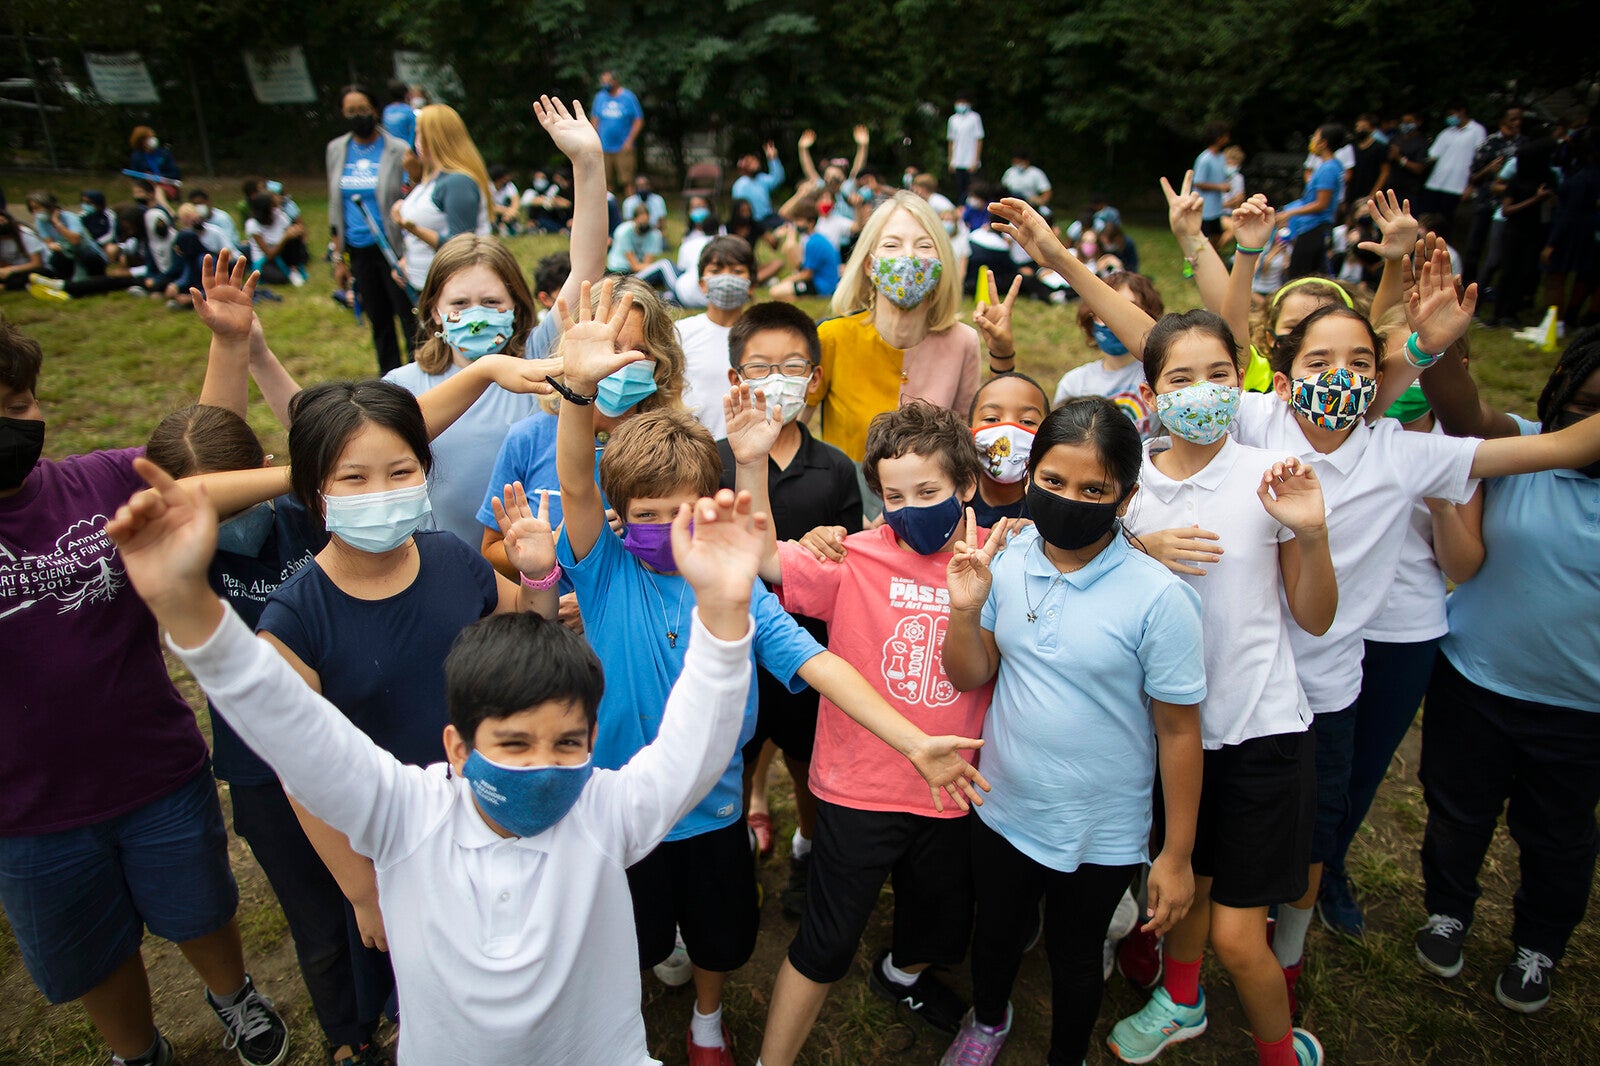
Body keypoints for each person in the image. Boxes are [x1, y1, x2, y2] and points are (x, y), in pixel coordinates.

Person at [995, 192, 1600, 1009]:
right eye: (1316, 365)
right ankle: (1175, 966)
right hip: (1220, 678)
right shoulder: (1254, 421)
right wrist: (1055, 255)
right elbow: (1165, 347)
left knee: (1304, 840)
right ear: (1282, 379)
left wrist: (1426, 349)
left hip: (1318, 684)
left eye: (1359, 366)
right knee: (1187, 838)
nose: (1339, 381)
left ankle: (1283, 951)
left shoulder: (1398, 450)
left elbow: (1546, 442)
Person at [107, 439, 776, 1063]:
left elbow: (698, 742)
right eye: (513, 744)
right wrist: (186, 609)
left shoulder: (605, 809)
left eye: (567, 743)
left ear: (593, 744)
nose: (543, 763)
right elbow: (291, 727)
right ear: (455, 746)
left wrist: (720, 610)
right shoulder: (403, 815)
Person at [557, 284, 986, 1065]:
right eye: (645, 515)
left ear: (713, 509)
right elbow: (579, 485)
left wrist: (915, 740)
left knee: (723, 936)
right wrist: (577, 390)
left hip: (717, 809)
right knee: (637, 935)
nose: (663, 530)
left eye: (682, 512)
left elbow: (822, 664)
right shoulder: (603, 571)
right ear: (621, 516)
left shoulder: (734, 587)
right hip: (618, 808)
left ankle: (709, 1019)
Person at [0, 314, 289, 1066]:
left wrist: (231, 351)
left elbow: (193, 468)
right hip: (26, 810)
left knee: (200, 904)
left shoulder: (96, 483)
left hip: (154, 769)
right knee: (92, 952)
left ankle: (234, 996)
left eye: (18, 403)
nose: (8, 424)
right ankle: (138, 1051)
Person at [937, 397, 1206, 1066]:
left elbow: (1178, 732)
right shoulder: (1011, 555)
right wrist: (966, 615)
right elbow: (972, 675)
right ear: (1030, 476)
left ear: (1126, 497)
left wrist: (1174, 854)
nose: (1069, 500)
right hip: (1001, 803)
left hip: (1100, 827)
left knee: (1076, 953)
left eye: (1095, 490)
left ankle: (1067, 1056)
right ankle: (990, 1021)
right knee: (996, 933)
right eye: (1053, 482)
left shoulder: (1160, 598)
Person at [1104, 310, 1336, 1066]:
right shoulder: (1126, 489)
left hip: (1261, 730)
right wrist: (1138, 549)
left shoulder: (1270, 476)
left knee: (1240, 934)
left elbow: (1316, 616)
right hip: (1171, 738)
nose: (1202, 391)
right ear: (1149, 392)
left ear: (1244, 382)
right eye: (1181, 378)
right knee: (1183, 892)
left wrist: (1310, 533)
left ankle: (1278, 1048)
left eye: (1219, 375)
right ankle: (1181, 1000)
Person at [747, 401, 997, 1066]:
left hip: (956, 792)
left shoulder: (1002, 559)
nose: (910, 508)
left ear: (967, 486)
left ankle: (903, 974)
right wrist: (749, 462)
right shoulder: (851, 558)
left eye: (929, 492)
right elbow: (756, 556)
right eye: (893, 495)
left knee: (939, 920)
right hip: (860, 789)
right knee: (824, 943)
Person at [1411, 327, 1600, 1015]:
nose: (1593, 423)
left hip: (1584, 713)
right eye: (1583, 403)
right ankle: (1447, 911)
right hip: (1475, 684)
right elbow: (1461, 411)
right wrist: (1440, 345)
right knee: (1457, 810)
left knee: (1558, 834)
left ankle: (1540, 943)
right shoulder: (1521, 448)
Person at [1315, 315, 1485, 941]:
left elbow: (1463, 566)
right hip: (1324, 626)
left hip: (1403, 631)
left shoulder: (1450, 445)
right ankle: (1295, 865)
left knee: (1360, 767)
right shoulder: (1337, 425)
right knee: (1315, 759)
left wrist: (1440, 496)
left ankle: (1329, 868)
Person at [385, 96, 605, 550]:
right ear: (433, 311)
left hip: (530, 573)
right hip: (445, 569)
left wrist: (587, 163)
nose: (476, 312)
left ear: (517, 306)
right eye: (460, 303)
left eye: (491, 300)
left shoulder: (538, 360)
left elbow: (586, 266)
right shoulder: (403, 386)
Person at [716, 301, 864, 917]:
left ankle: (807, 846)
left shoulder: (835, 468)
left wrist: (825, 548)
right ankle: (739, 840)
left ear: (816, 376)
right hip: (731, 644)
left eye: (792, 365)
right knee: (734, 754)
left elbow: (854, 564)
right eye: (760, 367)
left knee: (809, 760)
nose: (776, 378)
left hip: (808, 649)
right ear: (734, 380)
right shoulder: (712, 460)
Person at [806, 190, 982, 473]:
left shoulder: (963, 342)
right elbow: (792, 433)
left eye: (924, 246)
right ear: (868, 264)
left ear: (941, 264)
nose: (908, 257)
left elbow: (966, 445)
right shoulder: (832, 337)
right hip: (847, 504)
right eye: (892, 245)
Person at [327, 83, 416, 375]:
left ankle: (418, 374)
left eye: (363, 110)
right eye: (351, 111)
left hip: (392, 248)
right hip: (358, 246)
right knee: (379, 319)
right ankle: (390, 379)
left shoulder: (397, 149)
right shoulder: (337, 150)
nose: (358, 116)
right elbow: (334, 203)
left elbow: (410, 194)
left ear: (375, 110)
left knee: (407, 316)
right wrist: (339, 256)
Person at [394, 104, 493, 295]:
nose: (415, 142)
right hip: (426, 284)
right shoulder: (433, 177)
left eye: (419, 134)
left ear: (434, 138)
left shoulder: (458, 182)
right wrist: (407, 260)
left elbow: (462, 246)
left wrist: (410, 227)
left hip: (453, 290)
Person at [1053, 271, 1165, 438]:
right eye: (1103, 311)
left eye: (1128, 308)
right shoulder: (1073, 383)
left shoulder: (1164, 375)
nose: (1111, 320)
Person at [677, 235, 757, 439]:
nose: (726, 278)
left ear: (751, 284)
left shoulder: (764, 337)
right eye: (716, 271)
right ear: (702, 284)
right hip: (694, 449)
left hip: (751, 448)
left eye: (737, 271)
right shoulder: (680, 333)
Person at [968, 371, 1049, 527]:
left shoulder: (1052, 506)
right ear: (970, 429)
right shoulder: (951, 493)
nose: (1009, 430)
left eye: (1027, 421)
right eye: (992, 419)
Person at [1278, 124, 1347, 280]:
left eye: (1315, 137)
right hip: (1314, 228)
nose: (1312, 141)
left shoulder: (1328, 169)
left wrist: (1290, 213)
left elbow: (1321, 204)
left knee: (1298, 276)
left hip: (1314, 228)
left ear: (1323, 143)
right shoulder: (1330, 166)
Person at [1422, 103, 1488, 227]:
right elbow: (1432, 156)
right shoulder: (1446, 133)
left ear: (1462, 111)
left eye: (1451, 114)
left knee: (1445, 224)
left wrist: (1471, 186)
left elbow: (1480, 158)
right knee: (1427, 221)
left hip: (1457, 187)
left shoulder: (1477, 130)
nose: (1449, 117)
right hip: (1435, 184)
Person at [25, 190, 109, 282]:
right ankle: (66, 279)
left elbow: (75, 240)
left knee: (86, 255)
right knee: (56, 259)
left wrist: (57, 223)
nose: (35, 212)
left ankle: (96, 277)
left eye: (38, 208)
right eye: (33, 209)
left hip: (85, 251)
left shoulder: (70, 217)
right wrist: (58, 247)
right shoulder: (40, 223)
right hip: (65, 251)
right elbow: (49, 243)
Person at [769, 200, 840, 301]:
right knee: (780, 289)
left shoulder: (813, 243)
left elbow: (807, 274)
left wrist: (786, 280)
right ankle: (801, 295)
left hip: (822, 287)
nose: (796, 224)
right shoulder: (816, 238)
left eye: (799, 220)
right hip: (823, 281)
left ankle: (805, 296)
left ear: (810, 223)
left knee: (775, 292)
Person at [591, 70, 645, 190]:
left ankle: (630, 207)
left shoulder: (628, 97)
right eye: (603, 81)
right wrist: (594, 140)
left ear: (615, 81)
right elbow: (595, 119)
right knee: (605, 181)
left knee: (627, 181)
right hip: (603, 146)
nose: (605, 84)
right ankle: (609, 207)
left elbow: (639, 120)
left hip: (623, 146)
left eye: (608, 81)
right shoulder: (599, 97)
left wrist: (630, 141)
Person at [244, 192, 309, 286]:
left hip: (284, 254)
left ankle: (293, 267)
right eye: (273, 207)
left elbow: (292, 234)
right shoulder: (252, 224)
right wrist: (284, 238)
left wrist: (297, 231)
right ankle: (287, 273)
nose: (276, 209)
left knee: (294, 239)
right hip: (265, 260)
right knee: (280, 278)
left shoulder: (280, 216)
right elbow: (269, 255)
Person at [608, 203, 676, 291]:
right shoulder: (623, 232)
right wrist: (656, 266)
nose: (644, 225)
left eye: (646, 222)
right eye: (641, 222)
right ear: (634, 220)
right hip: (618, 271)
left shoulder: (654, 235)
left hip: (637, 272)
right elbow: (635, 265)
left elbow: (647, 263)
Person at [671, 196, 723, 308]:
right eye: (694, 207)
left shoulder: (689, 245)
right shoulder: (725, 244)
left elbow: (681, 268)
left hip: (685, 296)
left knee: (664, 265)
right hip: (715, 299)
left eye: (702, 206)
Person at [1194, 121, 1233, 249]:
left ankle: (1214, 261)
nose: (1227, 139)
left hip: (1216, 209)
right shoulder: (1205, 159)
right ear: (1218, 137)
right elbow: (1198, 182)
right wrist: (1220, 187)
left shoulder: (1221, 157)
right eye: (1225, 135)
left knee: (1216, 238)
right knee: (1201, 242)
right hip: (1204, 209)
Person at [731, 143, 786, 232]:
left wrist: (773, 159)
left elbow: (778, 179)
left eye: (755, 160)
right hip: (753, 221)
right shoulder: (739, 185)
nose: (755, 163)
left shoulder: (761, 179)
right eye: (750, 161)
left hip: (768, 217)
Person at [1344, 115, 1392, 214]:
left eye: (1363, 127)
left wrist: (1373, 195)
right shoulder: (1351, 147)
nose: (1359, 130)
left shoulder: (1380, 148)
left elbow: (1385, 172)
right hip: (1353, 192)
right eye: (1358, 127)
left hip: (1370, 191)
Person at [946, 93, 985, 203]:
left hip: (970, 161)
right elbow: (951, 140)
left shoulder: (975, 118)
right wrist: (951, 160)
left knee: (972, 189)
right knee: (960, 190)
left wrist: (975, 161)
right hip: (958, 161)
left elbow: (979, 139)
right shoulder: (953, 119)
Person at [0, 208, 46, 290]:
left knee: (32, 276)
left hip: (30, 269)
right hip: (11, 269)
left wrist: (11, 269)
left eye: (3, 220)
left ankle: (5, 286)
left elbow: (37, 263)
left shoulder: (24, 234)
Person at [380, 78, 417, 147]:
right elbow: (413, 133)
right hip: (405, 148)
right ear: (406, 94)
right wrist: (410, 148)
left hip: (390, 148)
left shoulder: (387, 110)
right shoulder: (409, 111)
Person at [489, 165, 521, 236]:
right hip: (494, 213)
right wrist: (507, 210)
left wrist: (511, 212)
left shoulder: (509, 186)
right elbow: (490, 206)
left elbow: (516, 202)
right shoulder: (488, 186)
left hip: (506, 213)